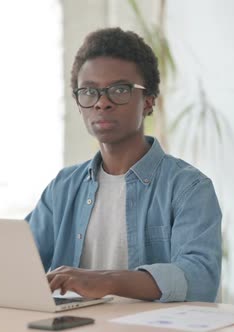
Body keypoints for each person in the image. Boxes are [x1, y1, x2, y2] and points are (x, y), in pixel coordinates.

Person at [25, 27, 222, 303]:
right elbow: (18, 262)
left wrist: (107, 281)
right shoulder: (63, 187)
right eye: (89, 92)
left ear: (148, 101)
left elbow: (200, 279)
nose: (102, 103)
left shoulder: (188, 188)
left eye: (119, 90)